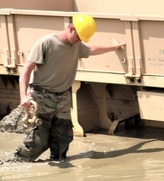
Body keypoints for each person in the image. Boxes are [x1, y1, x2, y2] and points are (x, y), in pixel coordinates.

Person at [13, 14, 126, 163]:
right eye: (79, 37)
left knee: (63, 137)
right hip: (42, 96)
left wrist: (115, 47)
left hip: (63, 97)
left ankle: (57, 163)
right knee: (38, 139)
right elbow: (26, 70)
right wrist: (23, 96)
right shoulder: (46, 42)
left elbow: (91, 49)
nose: (80, 41)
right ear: (71, 29)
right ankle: (18, 162)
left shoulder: (77, 45)